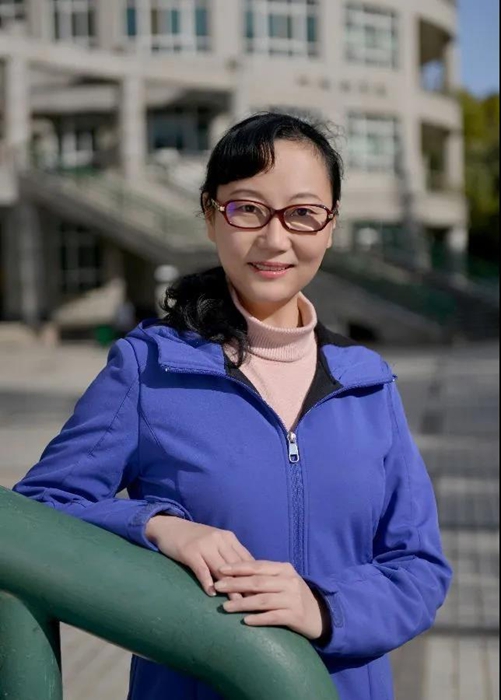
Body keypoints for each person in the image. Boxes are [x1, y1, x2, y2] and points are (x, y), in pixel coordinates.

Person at [13, 112, 452, 700]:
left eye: (302, 213)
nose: (274, 239)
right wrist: (156, 526)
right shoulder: (148, 368)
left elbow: (418, 567)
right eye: (248, 209)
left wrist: (325, 607)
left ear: (330, 226)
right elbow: (37, 513)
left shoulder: (368, 382)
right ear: (210, 214)